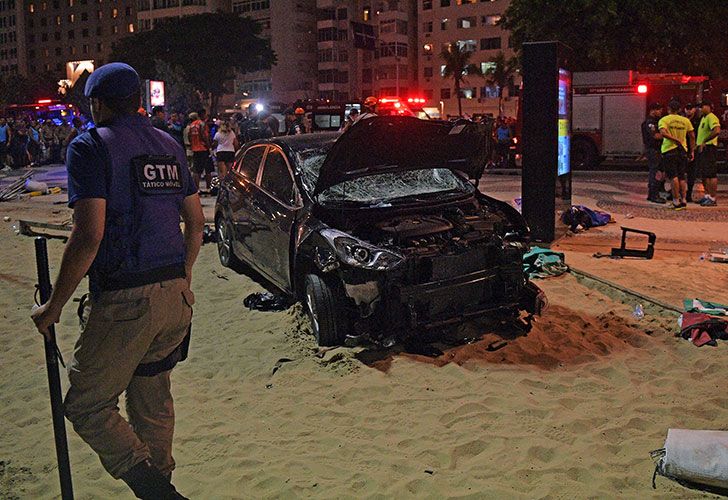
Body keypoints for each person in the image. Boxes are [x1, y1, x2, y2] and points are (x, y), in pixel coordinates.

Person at [30, 62, 203, 499]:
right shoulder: (168, 144)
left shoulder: (90, 146)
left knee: (86, 405)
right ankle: (160, 484)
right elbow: (196, 222)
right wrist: (183, 277)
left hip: (128, 298)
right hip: (175, 298)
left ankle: (159, 494)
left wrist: (53, 306)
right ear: (139, 100)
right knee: (152, 404)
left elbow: (90, 235)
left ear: (97, 103)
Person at [658, 100, 695, 210]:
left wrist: (675, 139)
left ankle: (675, 200)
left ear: (669, 109)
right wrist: (691, 151)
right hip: (683, 150)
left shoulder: (664, 120)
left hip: (669, 150)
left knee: (673, 176)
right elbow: (692, 136)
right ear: (679, 109)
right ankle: (684, 199)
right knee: (682, 176)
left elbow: (663, 133)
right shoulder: (685, 120)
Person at [695, 99, 721, 206]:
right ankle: (707, 195)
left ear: (709, 107)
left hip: (709, 148)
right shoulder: (703, 118)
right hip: (703, 149)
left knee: (711, 173)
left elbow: (717, 130)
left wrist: (705, 141)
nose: (701, 109)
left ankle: (712, 197)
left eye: (703, 106)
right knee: (705, 173)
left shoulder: (711, 117)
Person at [641, 102, 664, 203]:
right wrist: (668, 135)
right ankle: (654, 195)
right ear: (653, 110)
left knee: (656, 171)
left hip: (654, 150)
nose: (660, 112)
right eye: (659, 110)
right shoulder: (650, 122)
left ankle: (652, 194)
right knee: (655, 172)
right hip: (653, 150)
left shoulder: (655, 121)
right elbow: (655, 135)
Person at [188, 108, 212, 190]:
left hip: (195, 149)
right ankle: (209, 187)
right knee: (208, 169)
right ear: (203, 115)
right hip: (203, 149)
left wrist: (192, 145)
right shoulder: (202, 124)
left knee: (196, 170)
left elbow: (189, 136)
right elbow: (205, 136)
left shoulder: (192, 125)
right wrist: (209, 146)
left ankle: (196, 188)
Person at [683, 103, 702, 202]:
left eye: (691, 109)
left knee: (691, 173)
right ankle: (679, 192)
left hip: (692, 149)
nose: (689, 111)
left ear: (694, 109)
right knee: (680, 172)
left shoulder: (698, 121)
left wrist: (694, 148)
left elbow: (695, 136)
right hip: (682, 148)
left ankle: (689, 193)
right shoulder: (682, 120)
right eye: (687, 108)